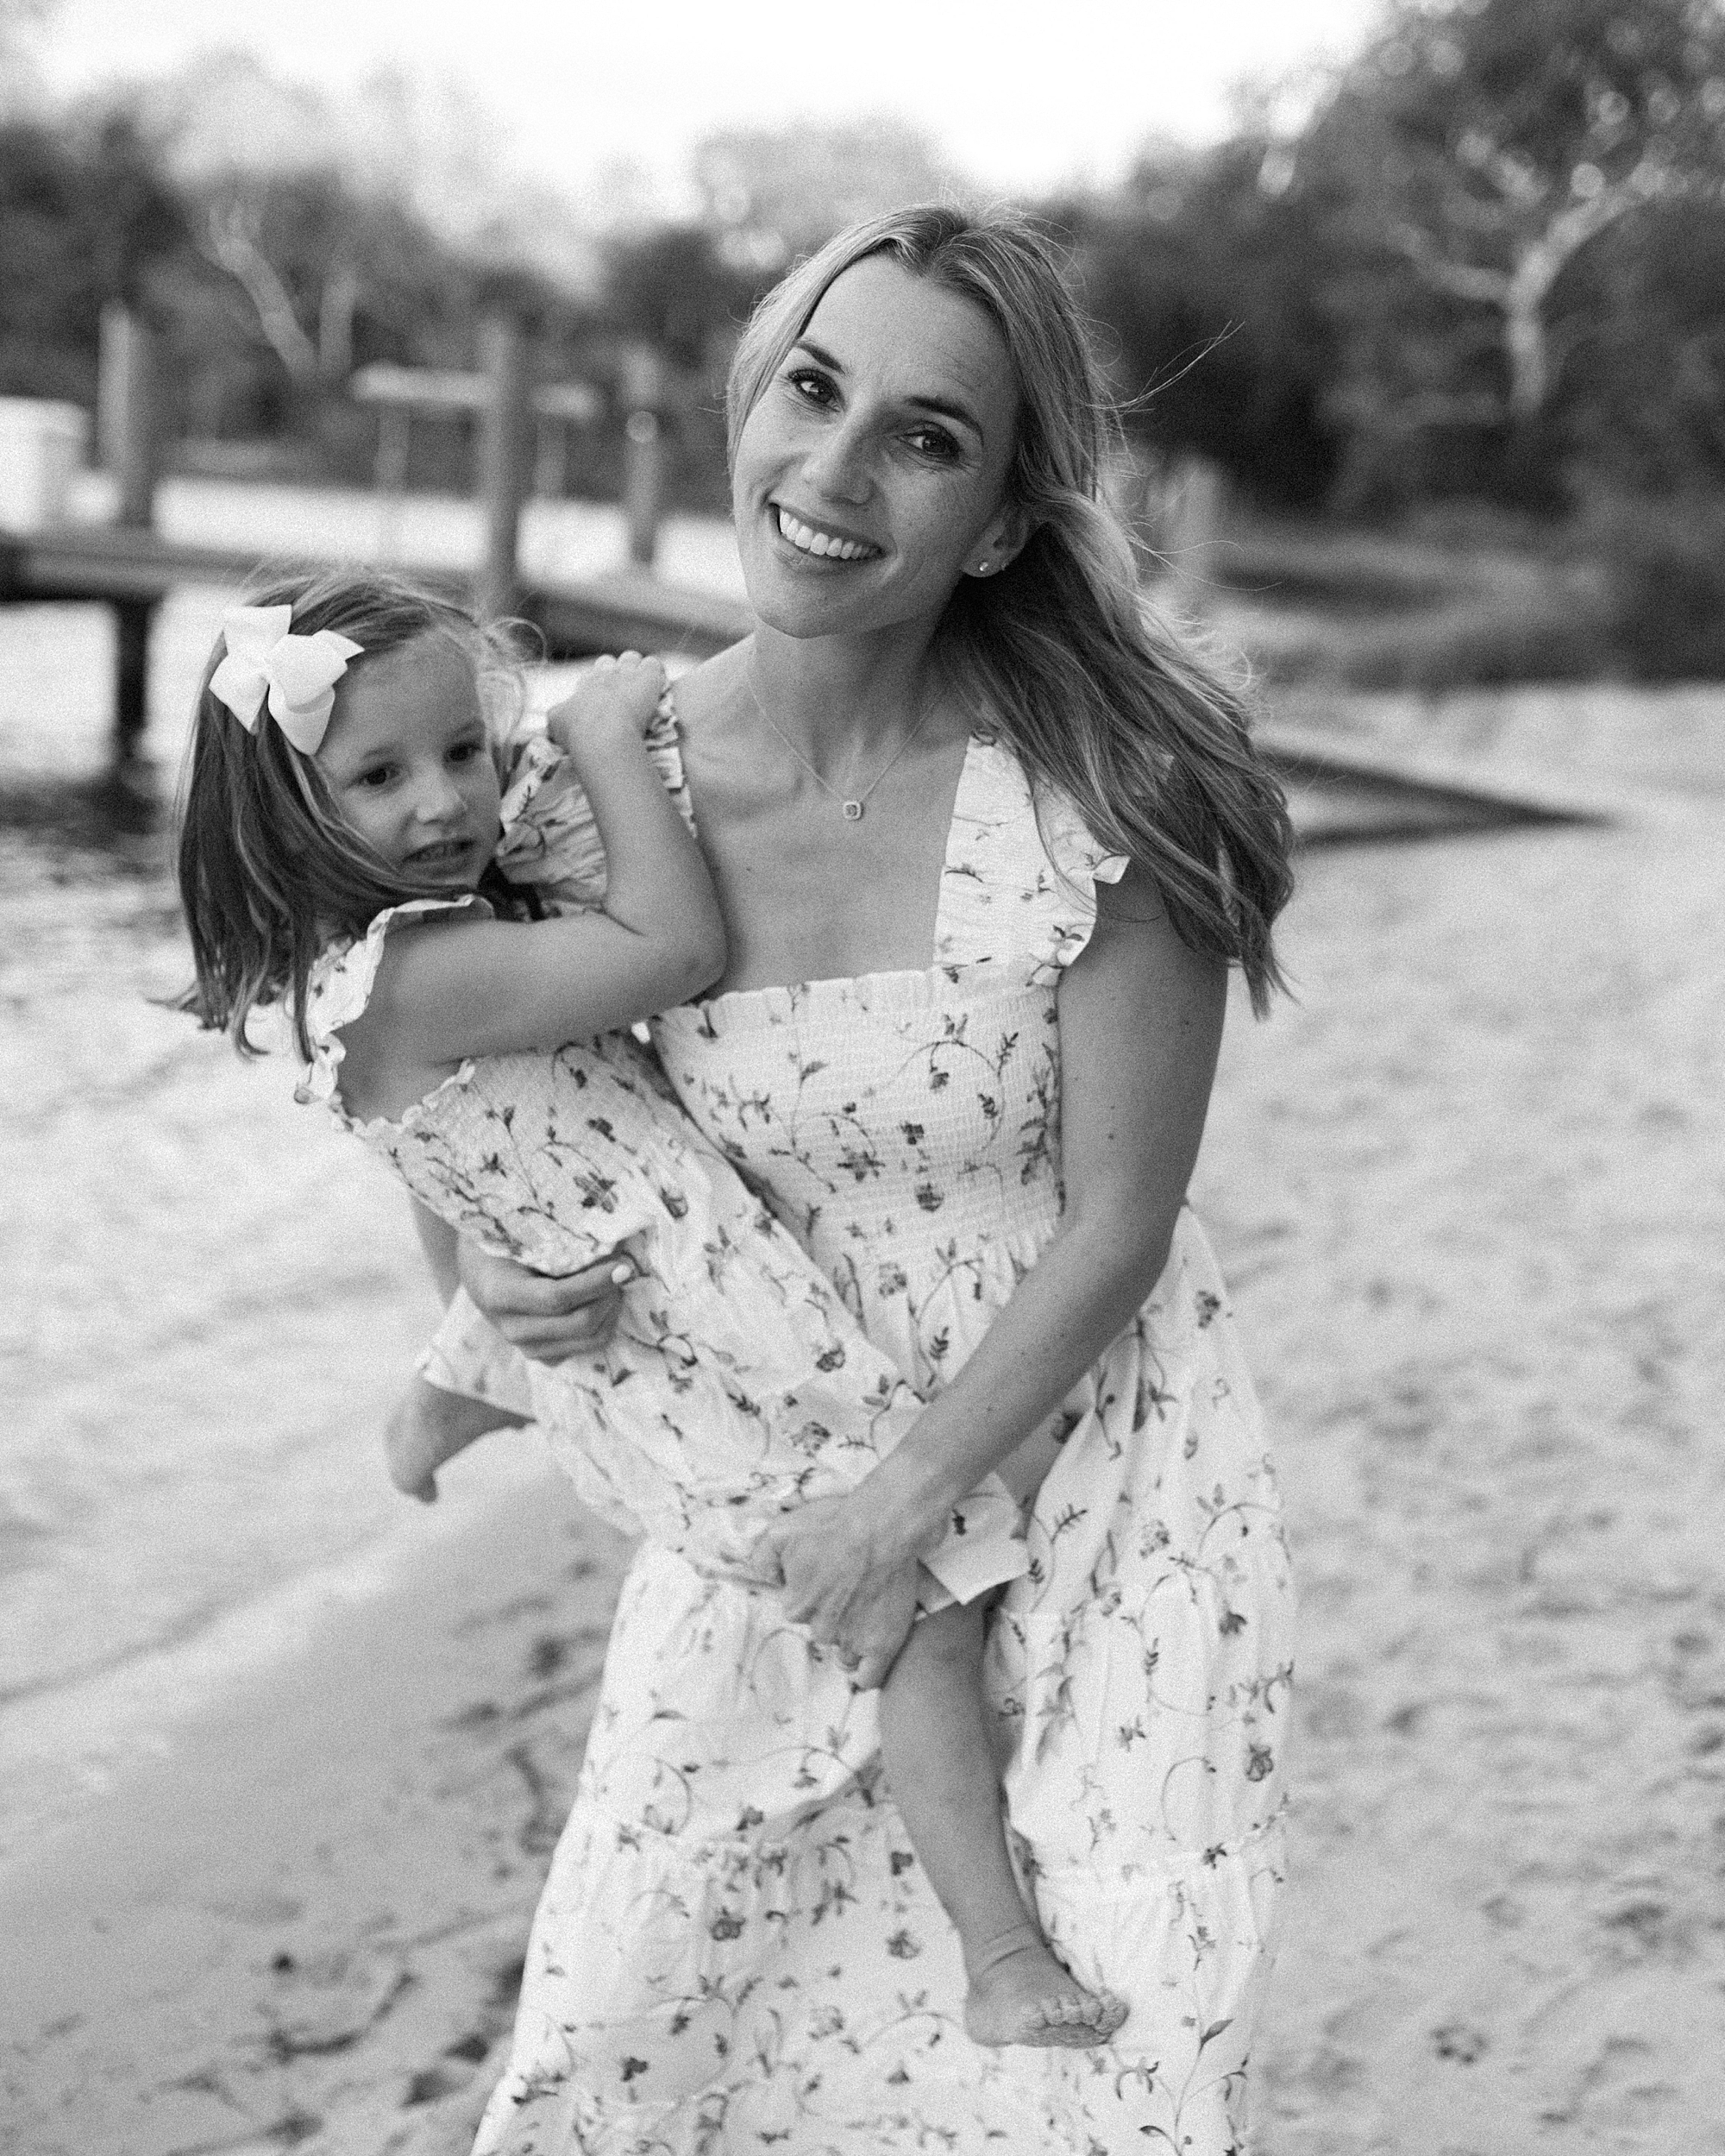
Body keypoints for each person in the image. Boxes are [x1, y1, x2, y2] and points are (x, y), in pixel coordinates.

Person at [448, 204, 1299, 2153]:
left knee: (1097, 2068)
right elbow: (454, 1080)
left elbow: (1118, 1219)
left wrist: (905, 1503)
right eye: (811, 391)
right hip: (769, 1469)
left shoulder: (1107, 788)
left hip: (1096, 1478)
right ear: (750, 397)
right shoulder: (583, 781)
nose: (831, 476)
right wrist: (487, 1281)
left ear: (1000, 517)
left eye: (923, 435)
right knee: (645, 2043)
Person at [172, 571, 1128, 2056]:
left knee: (511, 1284)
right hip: (684, 1327)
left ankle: (457, 1380)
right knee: (932, 1595)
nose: (447, 804)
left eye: (465, 752)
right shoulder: (420, 974)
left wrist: (467, 1289)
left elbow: (444, 1149)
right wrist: (612, 738)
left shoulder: (371, 958)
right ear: (283, 806)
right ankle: (998, 1951)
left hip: (620, 1252)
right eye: (377, 775)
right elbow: (672, 953)